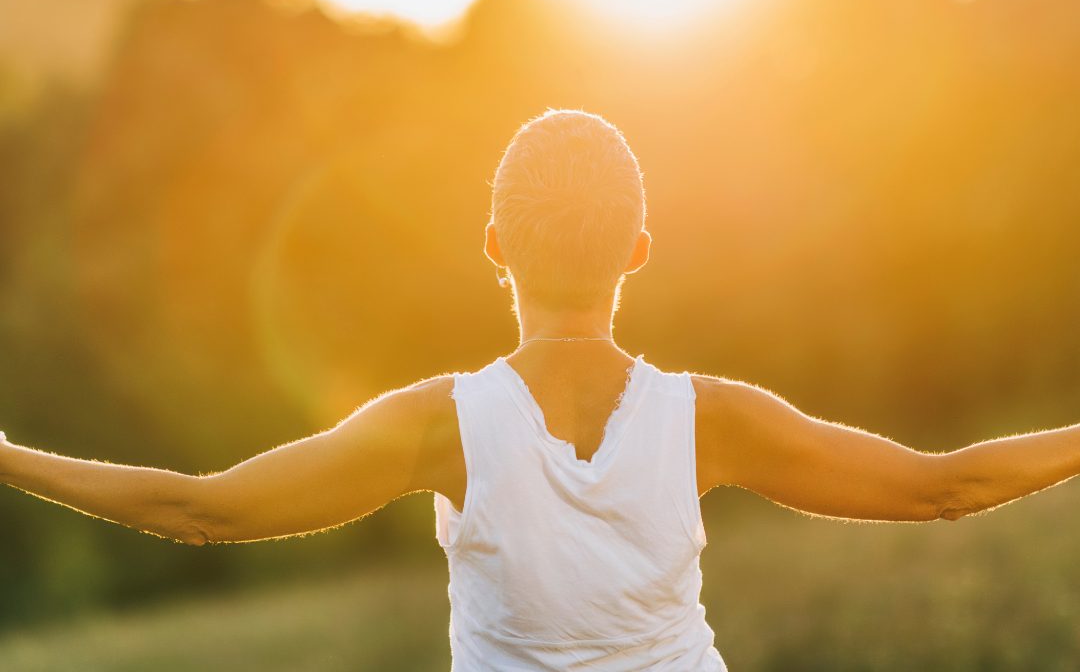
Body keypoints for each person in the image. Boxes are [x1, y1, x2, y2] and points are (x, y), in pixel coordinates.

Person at [3, 106, 1080, 670]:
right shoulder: (710, 421)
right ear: (639, 250)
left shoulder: (441, 427)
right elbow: (948, 486)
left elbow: (201, 509)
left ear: (495, 248)